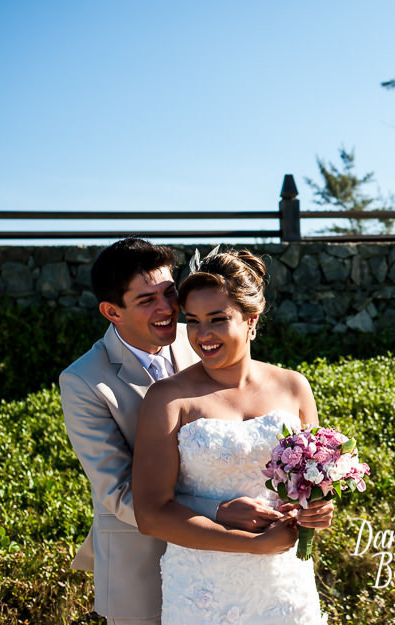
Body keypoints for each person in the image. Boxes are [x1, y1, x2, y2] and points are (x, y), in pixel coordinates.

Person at [61, 238, 287, 624]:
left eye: (169, 293)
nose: (167, 308)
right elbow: (118, 491)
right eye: (147, 300)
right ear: (112, 311)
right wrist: (219, 511)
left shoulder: (200, 334)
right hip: (141, 561)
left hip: (236, 562)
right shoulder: (84, 381)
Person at [132, 249, 333, 625]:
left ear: (251, 320)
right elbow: (151, 515)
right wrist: (252, 545)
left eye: (218, 319)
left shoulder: (294, 387)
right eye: (193, 321)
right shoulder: (168, 399)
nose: (202, 335)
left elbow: (311, 485)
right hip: (202, 591)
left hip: (284, 587)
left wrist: (315, 510)